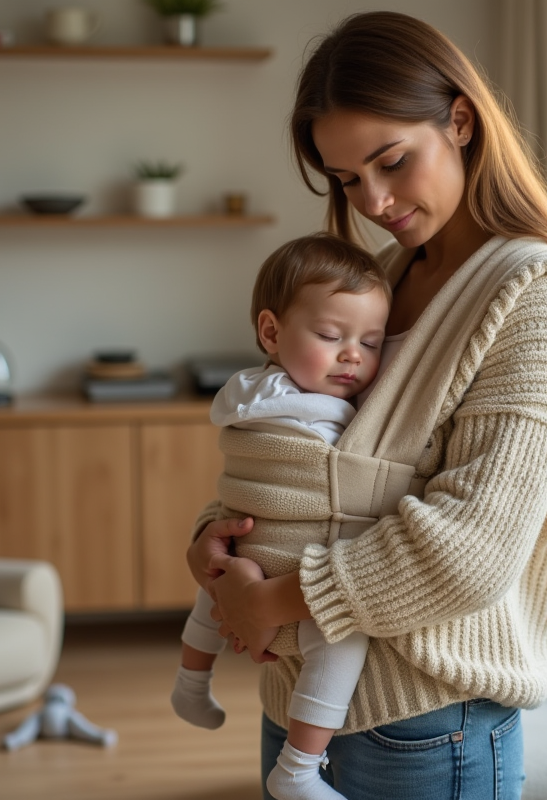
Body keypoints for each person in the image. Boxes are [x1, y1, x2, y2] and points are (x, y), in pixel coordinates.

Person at [187, 11, 547, 800]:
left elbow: (472, 548)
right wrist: (214, 551)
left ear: (460, 120)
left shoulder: (538, 298)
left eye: (391, 161)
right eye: (347, 180)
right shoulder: (382, 278)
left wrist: (269, 600)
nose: (375, 200)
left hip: (427, 719)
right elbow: (310, 457)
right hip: (298, 696)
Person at [172, 233, 392, 800]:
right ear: (271, 332)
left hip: (243, 544)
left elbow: (241, 486)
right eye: (331, 336)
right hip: (300, 566)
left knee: (214, 586)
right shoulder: (326, 413)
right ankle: (297, 768)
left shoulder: (244, 393)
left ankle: (191, 681)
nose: (353, 355)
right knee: (341, 640)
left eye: (371, 342)